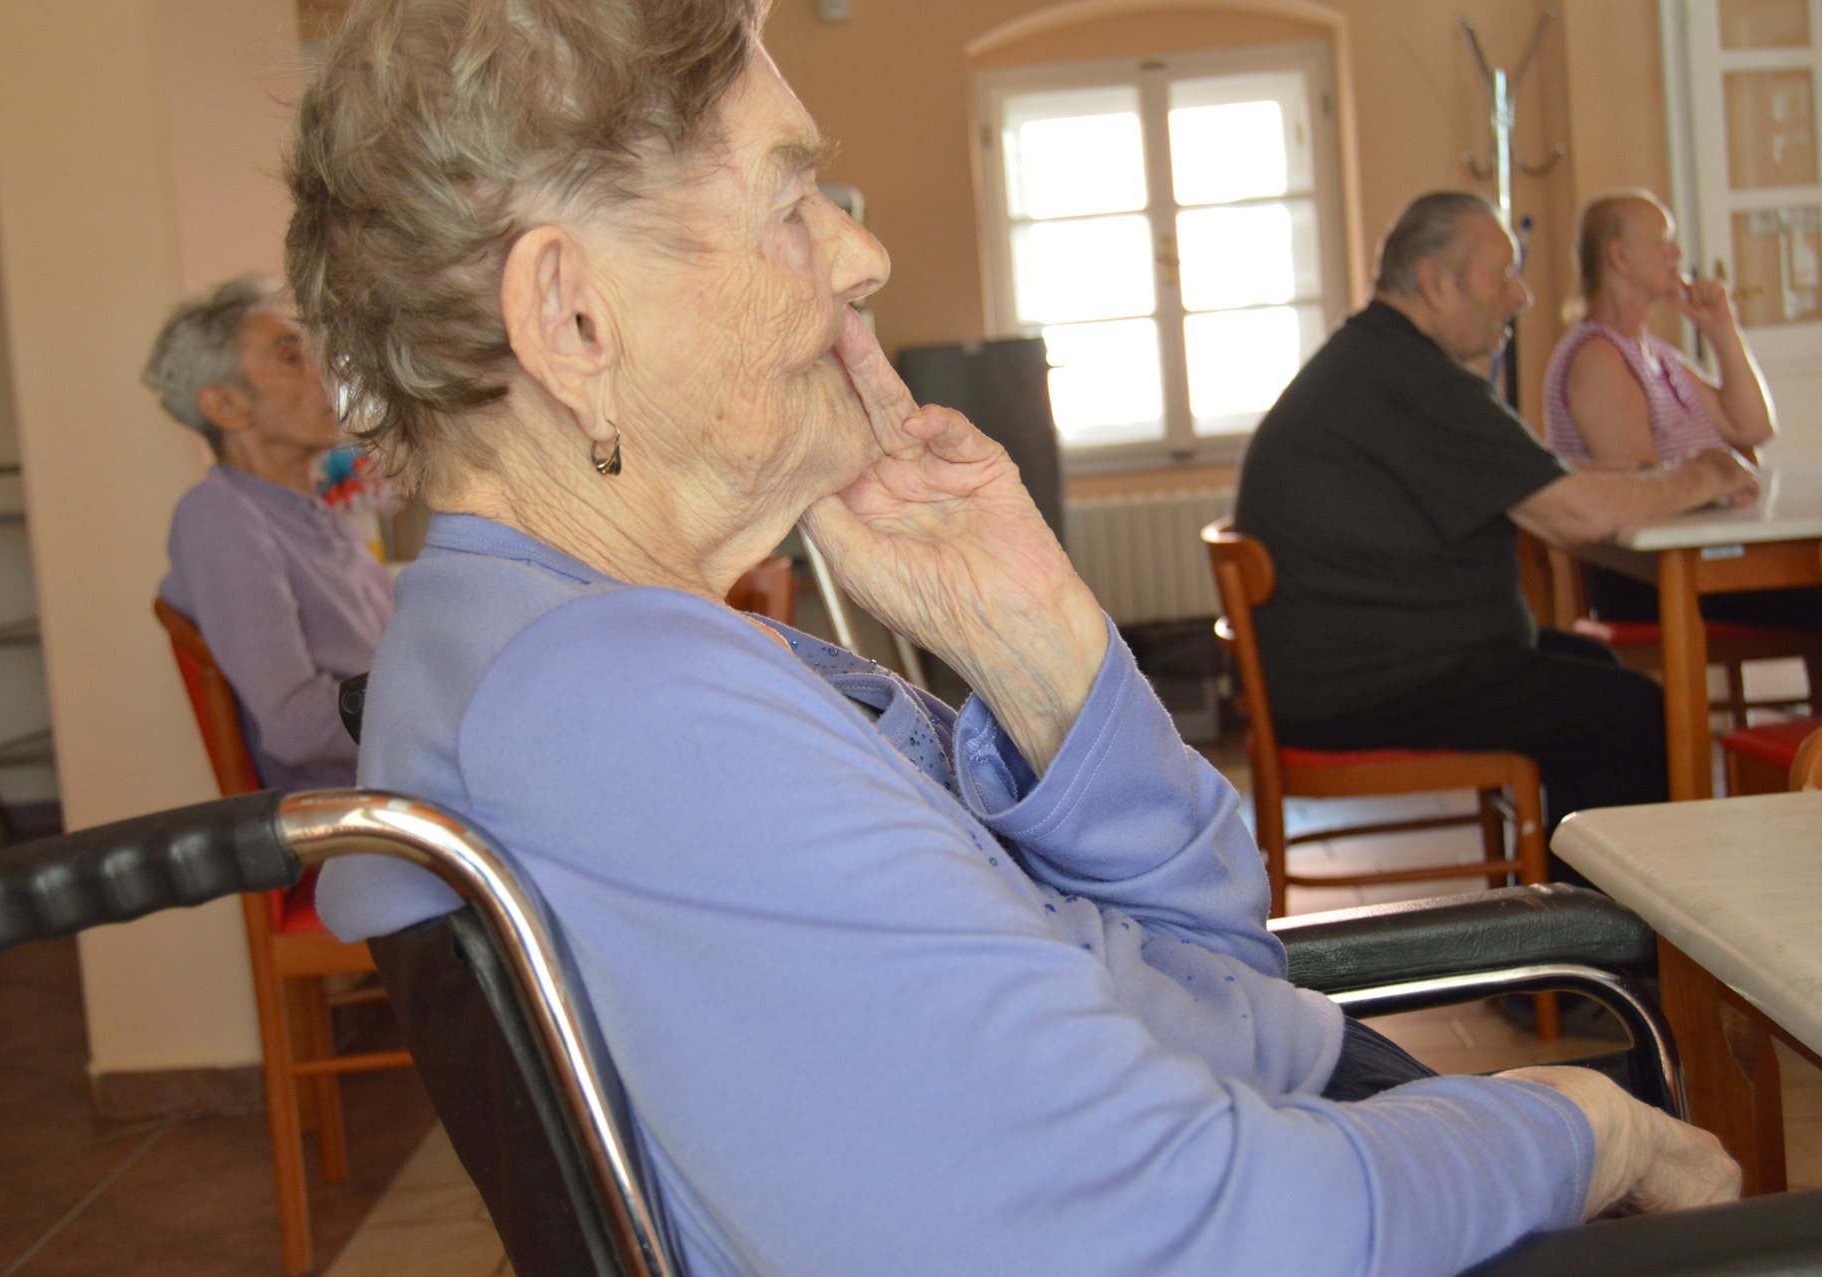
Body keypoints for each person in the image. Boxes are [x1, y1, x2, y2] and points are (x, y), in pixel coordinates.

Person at [290, 10, 1735, 1273]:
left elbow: (1212, 964)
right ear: (571, 317)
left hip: (1285, 1115)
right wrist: (1578, 1128)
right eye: (793, 202)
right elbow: (1196, 1236)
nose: (863, 253)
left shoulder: (568, 646)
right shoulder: (626, 710)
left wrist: (1040, 646)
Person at [1234, 191, 1758, 841]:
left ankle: (1573, 888)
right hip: (1370, 685)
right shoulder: (1415, 383)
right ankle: (1598, 906)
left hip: (1355, 670)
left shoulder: (1382, 360)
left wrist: (1666, 479)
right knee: (1632, 716)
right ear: (1435, 282)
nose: (1521, 295)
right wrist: (1701, 477)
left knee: (1599, 673)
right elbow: (1571, 514)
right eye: (1503, 273)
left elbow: (1545, 478)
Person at [147, 274, 394, 790]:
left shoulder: (313, 514)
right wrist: (446, 721)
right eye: (291, 357)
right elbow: (296, 727)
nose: (325, 369)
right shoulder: (220, 517)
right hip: (362, 808)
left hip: (406, 776)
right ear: (227, 407)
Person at [1543, 191, 1822, 630]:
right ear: (1620, 257)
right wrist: (1717, 480)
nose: (1676, 253)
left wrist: (1722, 329)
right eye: (1664, 241)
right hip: (1645, 576)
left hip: (1704, 557)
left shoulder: (1656, 354)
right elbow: (1643, 482)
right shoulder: (1598, 358)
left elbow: (1752, 427)